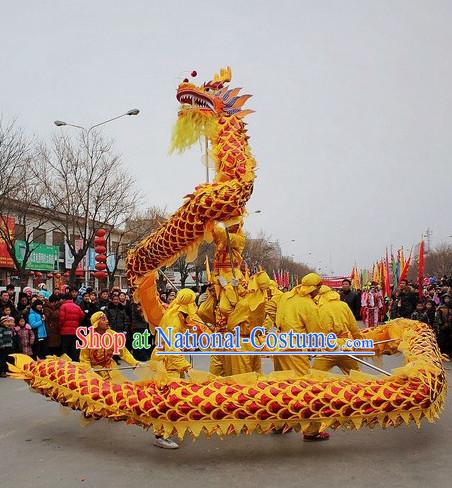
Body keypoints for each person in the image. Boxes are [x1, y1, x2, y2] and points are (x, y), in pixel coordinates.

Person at [275, 272, 329, 442]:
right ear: (316, 288)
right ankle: (312, 430)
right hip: (295, 349)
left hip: (279, 346)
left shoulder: (285, 296)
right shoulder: (308, 305)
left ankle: (280, 423)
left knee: (282, 387)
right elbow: (315, 332)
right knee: (306, 389)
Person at [313, 285, 363, 374]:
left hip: (327, 348)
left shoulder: (318, 308)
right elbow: (353, 327)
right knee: (355, 376)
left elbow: (314, 330)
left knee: (314, 377)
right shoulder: (343, 305)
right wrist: (359, 341)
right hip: (345, 347)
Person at [59, 293, 85, 361]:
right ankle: (75, 363)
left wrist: (60, 327)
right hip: (75, 332)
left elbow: (61, 319)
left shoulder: (63, 306)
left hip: (65, 332)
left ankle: (66, 364)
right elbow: (82, 316)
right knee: (74, 349)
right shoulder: (77, 307)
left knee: (65, 350)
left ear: (64, 299)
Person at [434, 294, 452, 358]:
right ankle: (441, 352)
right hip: (443, 326)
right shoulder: (441, 307)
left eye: (448, 298)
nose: (447, 300)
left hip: (450, 326)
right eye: (445, 298)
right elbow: (437, 317)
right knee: (442, 340)